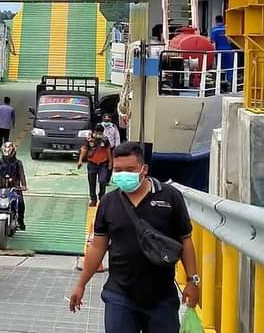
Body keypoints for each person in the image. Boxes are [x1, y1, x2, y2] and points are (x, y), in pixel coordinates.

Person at [69, 142, 200, 332]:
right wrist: (80, 285)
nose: (123, 174)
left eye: (130, 169)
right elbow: (97, 247)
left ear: (143, 169)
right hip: (119, 295)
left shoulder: (170, 197)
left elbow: (185, 240)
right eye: (119, 170)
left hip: (162, 298)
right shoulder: (108, 202)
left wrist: (192, 281)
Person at [0, 141, 27, 229]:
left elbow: (21, 175)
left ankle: (21, 221)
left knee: (20, 203)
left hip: (14, 189)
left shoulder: (18, 163)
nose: (7, 158)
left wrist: (23, 185)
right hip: (1, 188)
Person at [77, 124, 113, 206]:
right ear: (94, 132)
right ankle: (93, 199)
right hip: (92, 164)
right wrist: (80, 160)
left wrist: (110, 162)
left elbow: (108, 150)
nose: (99, 134)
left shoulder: (105, 140)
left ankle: (102, 197)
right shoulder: (89, 140)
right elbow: (84, 149)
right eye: (97, 132)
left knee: (103, 181)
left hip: (103, 164)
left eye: (101, 132)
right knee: (92, 183)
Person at [210, 15, 234, 84]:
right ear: (223, 20)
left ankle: (220, 84)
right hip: (228, 51)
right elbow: (231, 40)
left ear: (216, 21)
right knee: (229, 68)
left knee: (220, 68)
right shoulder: (227, 29)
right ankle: (230, 82)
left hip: (219, 52)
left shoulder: (214, 30)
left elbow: (212, 41)